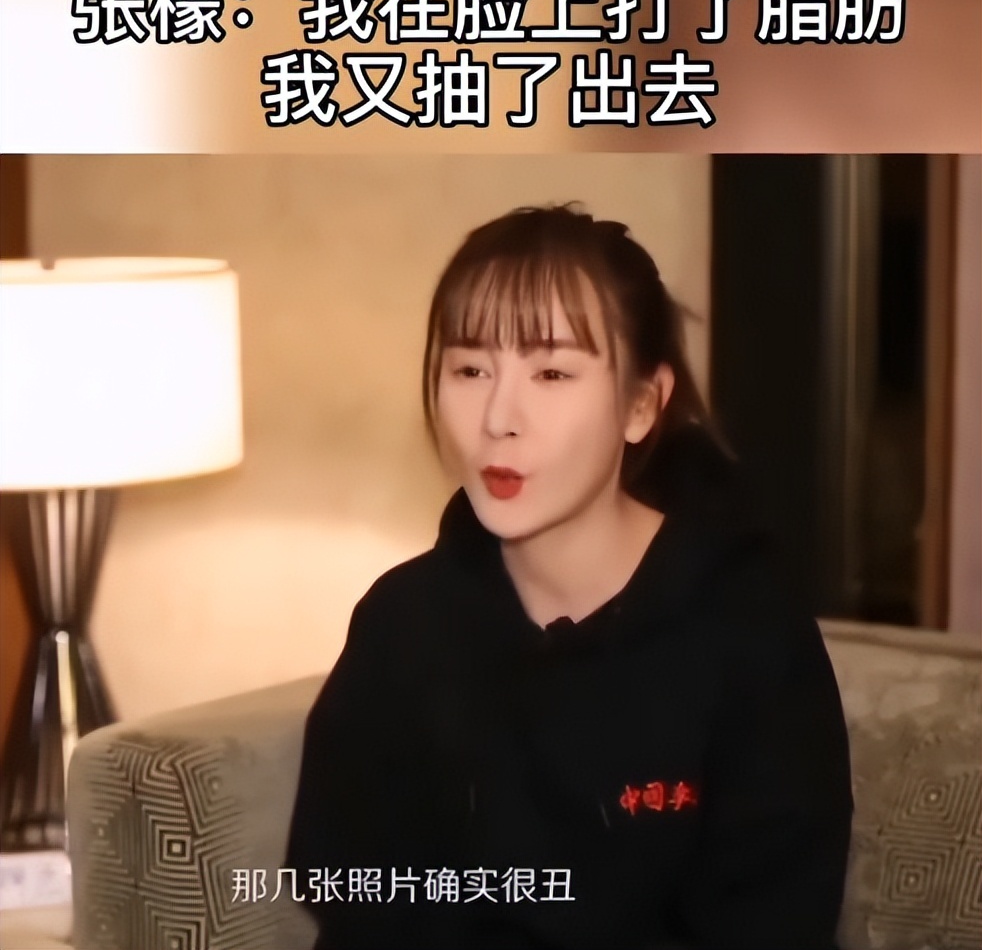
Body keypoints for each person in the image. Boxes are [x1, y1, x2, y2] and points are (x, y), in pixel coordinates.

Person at [286, 205, 853, 950]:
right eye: (470, 369)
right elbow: (353, 895)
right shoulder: (404, 622)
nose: (499, 417)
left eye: (551, 372)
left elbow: (776, 918)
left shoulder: (747, 626)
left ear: (642, 405)